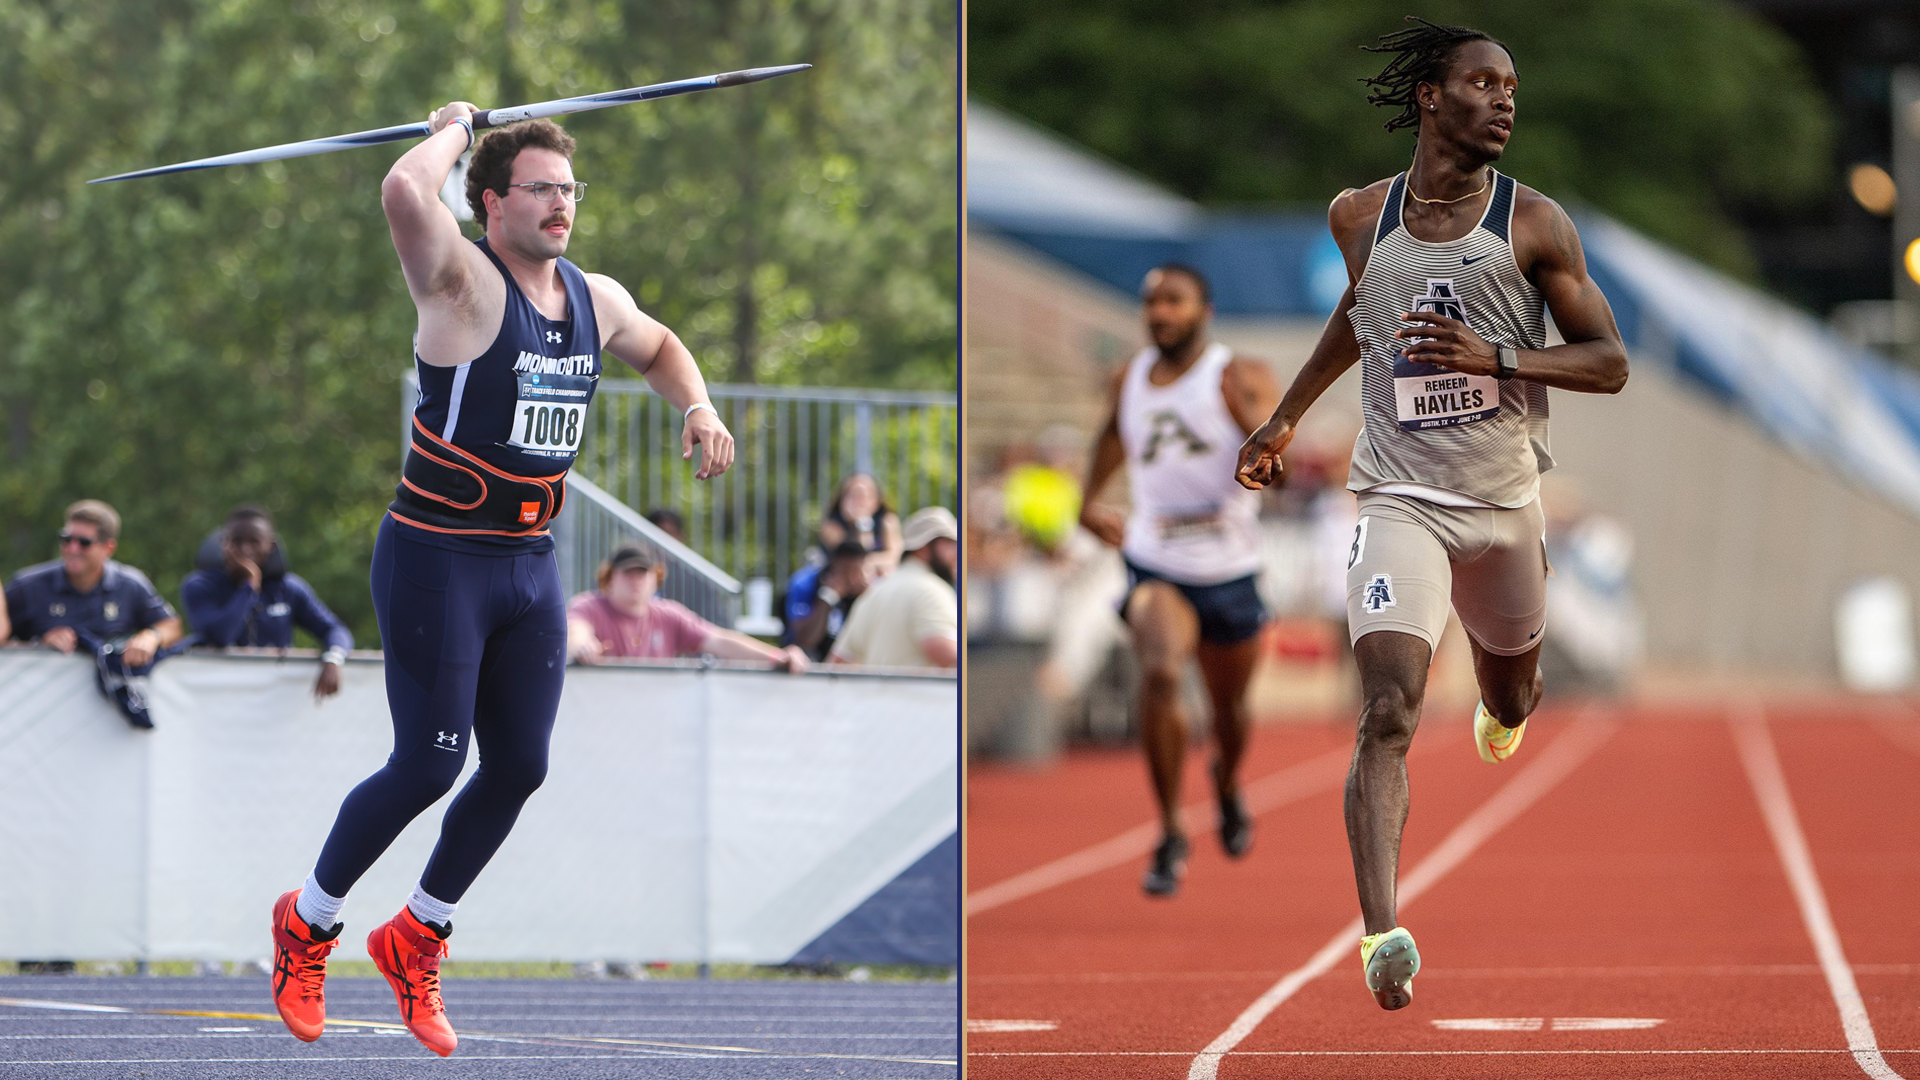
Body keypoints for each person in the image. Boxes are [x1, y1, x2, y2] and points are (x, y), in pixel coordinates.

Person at [269, 106, 735, 1056]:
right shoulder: (459, 281)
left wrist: (698, 405)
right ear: (490, 200)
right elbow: (404, 188)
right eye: (541, 188)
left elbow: (660, 347)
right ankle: (308, 922)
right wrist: (451, 126)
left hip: (528, 563)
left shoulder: (595, 296)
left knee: (521, 766)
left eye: (570, 188)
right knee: (428, 766)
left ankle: (418, 933)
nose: (562, 204)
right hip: (437, 556)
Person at [1235, 18, 1628, 1011]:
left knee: (1512, 696)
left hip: (1504, 507)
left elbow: (1610, 363)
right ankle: (1382, 935)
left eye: (1512, 89)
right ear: (1430, 96)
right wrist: (1285, 416)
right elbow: (1359, 312)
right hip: (1400, 499)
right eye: (1484, 84)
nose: (1505, 103)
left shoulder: (1534, 223)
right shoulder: (1358, 216)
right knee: (1388, 710)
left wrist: (1495, 357)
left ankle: (1505, 707)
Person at [1077, 264, 1281, 898]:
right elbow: (1113, 434)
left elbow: (1277, 461)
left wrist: (1251, 433)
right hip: (1155, 554)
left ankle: (1226, 780)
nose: (1160, 313)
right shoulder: (1128, 377)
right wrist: (1086, 501)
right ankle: (1169, 828)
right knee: (1162, 670)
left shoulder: (1239, 373)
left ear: (1204, 310)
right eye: (1151, 302)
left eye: (1174, 301)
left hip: (1229, 562)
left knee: (1229, 710)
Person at [180, 506, 353, 701]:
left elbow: (335, 630)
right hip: (217, 696)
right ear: (224, 544)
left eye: (254, 541)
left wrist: (333, 659)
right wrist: (249, 585)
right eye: (237, 541)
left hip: (271, 701)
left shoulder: (288, 588)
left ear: (270, 545)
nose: (245, 549)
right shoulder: (200, 585)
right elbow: (220, 636)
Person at [566, 542, 808, 671]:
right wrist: (583, 646)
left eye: (642, 573)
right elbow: (573, 631)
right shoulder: (588, 606)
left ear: (656, 579)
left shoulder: (669, 615)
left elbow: (719, 640)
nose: (636, 580)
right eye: (627, 573)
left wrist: (777, 656)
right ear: (609, 578)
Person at [6, 500, 182, 669]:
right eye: (66, 539)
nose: (72, 549)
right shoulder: (27, 586)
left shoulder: (130, 585)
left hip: (109, 689)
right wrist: (39, 644)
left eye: (84, 543)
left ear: (108, 548)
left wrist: (151, 637)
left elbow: (171, 625)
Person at [830, 507, 958, 669]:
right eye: (949, 544)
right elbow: (948, 656)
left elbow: (836, 664)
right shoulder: (930, 590)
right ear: (923, 547)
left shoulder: (873, 594)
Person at [783, 540, 873, 661]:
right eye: (846, 571)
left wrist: (867, 597)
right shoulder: (806, 584)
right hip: (810, 661)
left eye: (856, 572)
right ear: (833, 566)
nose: (851, 579)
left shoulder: (870, 590)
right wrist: (828, 598)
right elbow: (804, 641)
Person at [817, 473, 904, 573]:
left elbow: (895, 557)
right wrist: (858, 526)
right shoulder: (831, 525)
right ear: (842, 500)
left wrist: (864, 524)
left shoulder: (888, 520)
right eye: (853, 496)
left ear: (877, 500)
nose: (859, 502)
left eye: (865, 496)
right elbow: (848, 560)